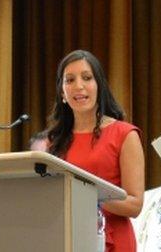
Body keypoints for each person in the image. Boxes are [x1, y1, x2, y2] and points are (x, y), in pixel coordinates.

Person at [46, 50, 145, 252]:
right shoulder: (54, 140)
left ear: (99, 85)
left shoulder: (125, 134)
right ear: (62, 92)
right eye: (70, 80)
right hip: (66, 240)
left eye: (87, 78)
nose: (78, 86)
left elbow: (135, 205)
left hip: (112, 242)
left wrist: (87, 195)